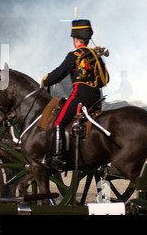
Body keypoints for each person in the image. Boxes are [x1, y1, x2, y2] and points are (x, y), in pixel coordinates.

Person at [40, 19, 109, 169]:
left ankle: (58, 157)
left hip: (80, 98)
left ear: (75, 39)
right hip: (96, 98)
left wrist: (45, 80)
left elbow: (59, 73)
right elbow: (105, 80)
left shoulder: (75, 55)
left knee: (58, 122)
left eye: (73, 38)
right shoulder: (96, 56)